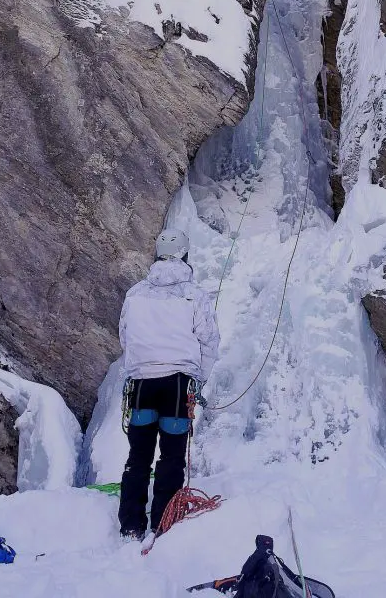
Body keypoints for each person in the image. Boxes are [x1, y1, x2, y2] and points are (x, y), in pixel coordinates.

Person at [118, 228, 220, 540]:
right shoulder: (195, 295)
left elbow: (125, 337)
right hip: (177, 385)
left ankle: (131, 526)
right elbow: (210, 342)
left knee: (138, 457)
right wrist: (197, 380)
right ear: (186, 255)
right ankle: (162, 525)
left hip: (141, 384)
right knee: (172, 456)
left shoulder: (135, 293)